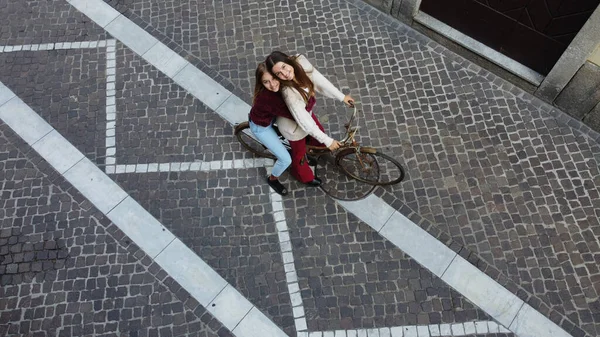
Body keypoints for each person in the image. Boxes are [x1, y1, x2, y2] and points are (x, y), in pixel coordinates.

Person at [265, 51, 355, 184]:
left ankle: (314, 150)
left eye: (284, 67)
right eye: (279, 74)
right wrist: (328, 141)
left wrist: (341, 97)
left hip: (307, 113)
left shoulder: (301, 63)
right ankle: (304, 177)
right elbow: (303, 121)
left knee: (319, 135)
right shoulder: (288, 92)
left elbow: (319, 80)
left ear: (289, 60)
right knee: (299, 155)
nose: (284, 74)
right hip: (294, 127)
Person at [248, 63, 296, 196]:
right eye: (266, 82)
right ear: (261, 83)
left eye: (274, 79)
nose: (273, 84)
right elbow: (291, 113)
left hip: (271, 118)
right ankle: (273, 179)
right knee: (286, 160)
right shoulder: (267, 98)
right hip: (261, 128)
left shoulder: (278, 88)